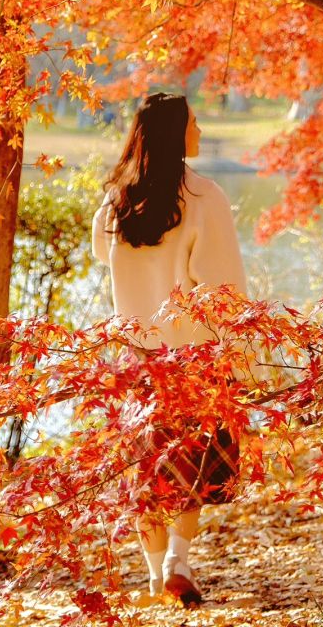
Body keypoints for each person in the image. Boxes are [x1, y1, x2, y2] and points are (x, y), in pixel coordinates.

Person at [92, 91, 248, 607]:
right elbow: (225, 288)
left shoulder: (115, 202)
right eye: (194, 124)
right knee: (193, 465)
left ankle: (157, 576)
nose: (200, 132)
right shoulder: (205, 198)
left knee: (146, 471)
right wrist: (242, 353)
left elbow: (101, 255)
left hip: (136, 359)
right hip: (196, 359)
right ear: (175, 134)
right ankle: (179, 558)